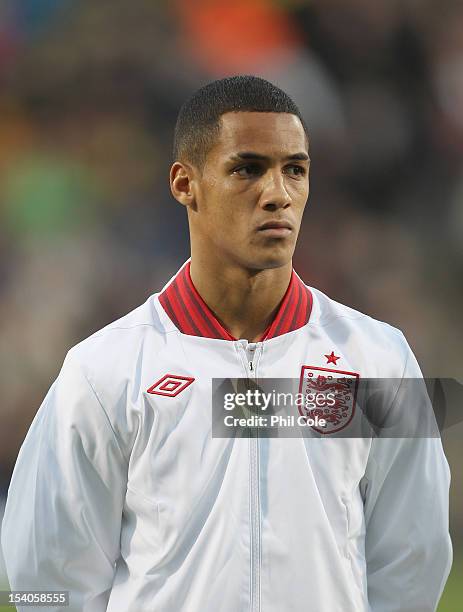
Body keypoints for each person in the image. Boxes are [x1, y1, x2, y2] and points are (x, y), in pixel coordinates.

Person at [1, 76, 452, 611]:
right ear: (184, 184)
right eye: (247, 168)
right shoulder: (104, 372)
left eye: (296, 170)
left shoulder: (380, 358)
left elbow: (412, 560)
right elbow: (45, 579)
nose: (278, 194)